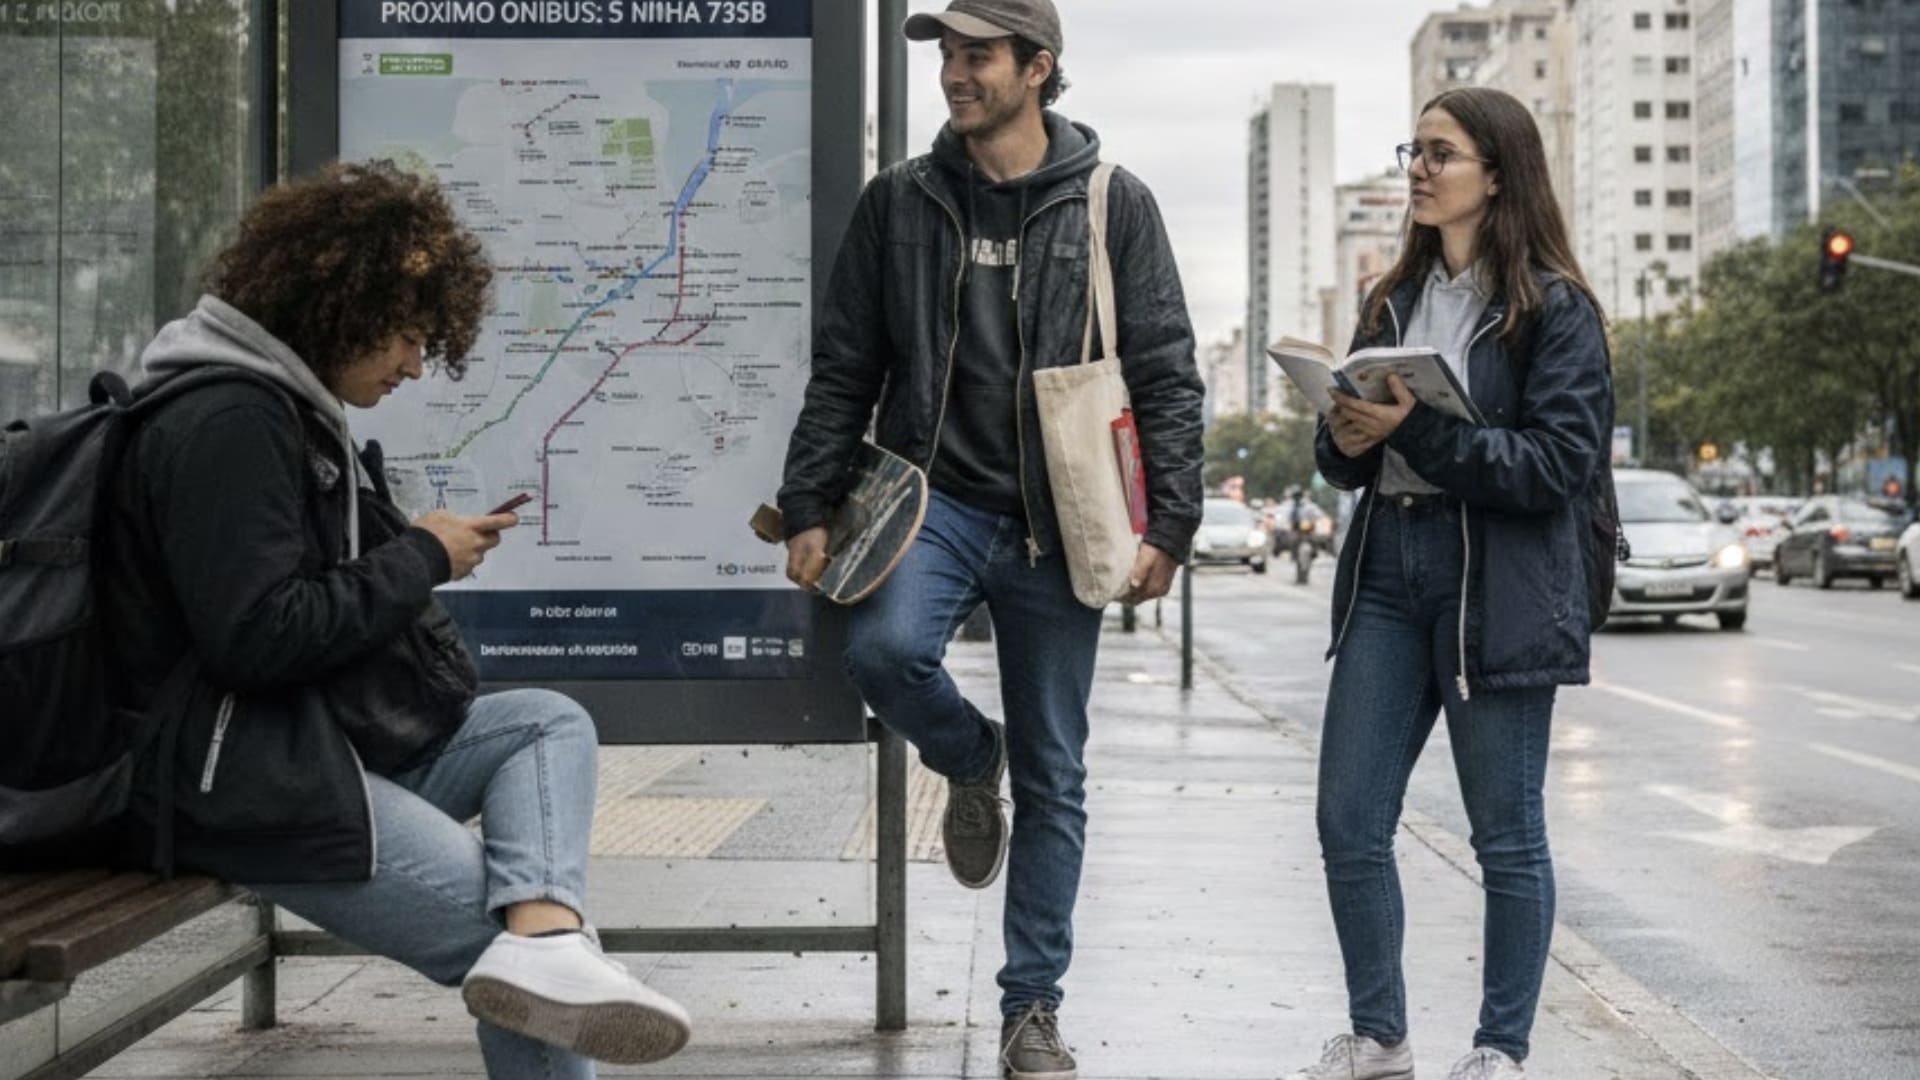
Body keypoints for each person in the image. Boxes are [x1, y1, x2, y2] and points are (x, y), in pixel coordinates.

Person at [99, 163, 691, 1078]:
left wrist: (405, 543)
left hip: (303, 744)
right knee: (518, 963)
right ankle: (541, 942)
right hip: (237, 780)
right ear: (343, 307)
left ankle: (547, 930)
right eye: (410, 336)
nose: (417, 364)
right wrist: (420, 558)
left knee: (544, 724)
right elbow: (256, 636)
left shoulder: (283, 411)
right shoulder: (228, 422)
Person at [776, 2, 1203, 1076]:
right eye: (949, 58)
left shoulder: (1114, 203)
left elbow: (1164, 372)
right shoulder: (900, 205)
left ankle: (1031, 1009)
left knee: (1059, 773)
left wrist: (1173, 522)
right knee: (880, 652)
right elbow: (845, 367)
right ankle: (972, 756)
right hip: (937, 501)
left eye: (978, 57)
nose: (957, 76)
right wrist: (811, 503)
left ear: (1038, 67)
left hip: (1064, 519)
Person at [1291, 88, 1613, 1080]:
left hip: (1497, 587)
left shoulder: (1555, 310)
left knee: (1505, 836)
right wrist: (1340, 435)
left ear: (1499, 174)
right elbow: (1348, 462)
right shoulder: (1392, 299)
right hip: (1389, 568)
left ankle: (1499, 1051)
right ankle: (1380, 1036)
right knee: (1348, 817)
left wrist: (1415, 431)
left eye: (1441, 153)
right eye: (1414, 151)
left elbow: (1558, 465)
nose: (1420, 170)